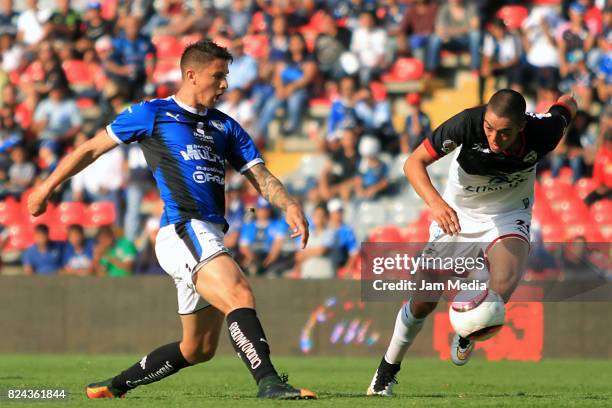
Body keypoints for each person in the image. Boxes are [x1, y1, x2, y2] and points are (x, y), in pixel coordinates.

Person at [27, 39, 315, 400]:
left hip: (209, 232)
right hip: (182, 228)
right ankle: (270, 383)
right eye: (219, 75)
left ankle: (113, 387)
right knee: (239, 292)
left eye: (226, 75)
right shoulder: (153, 113)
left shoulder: (226, 127)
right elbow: (89, 149)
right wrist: (45, 188)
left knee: (198, 349)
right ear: (191, 75)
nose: (225, 84)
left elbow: (260, 175)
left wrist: (288, 204)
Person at [367, 89, 577, 396]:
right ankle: (387, 369)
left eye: (504, 132)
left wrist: (571, 98)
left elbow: (564, 110)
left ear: (522, 127)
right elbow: (413, 163)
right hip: (458, 214)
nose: (493, 137)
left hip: (508, 213)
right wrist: (437, 205)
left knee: (503, 280)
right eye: (489, 128)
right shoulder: (467, 123)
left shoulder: (544, 132)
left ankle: (468, 328)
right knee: (424, 300)